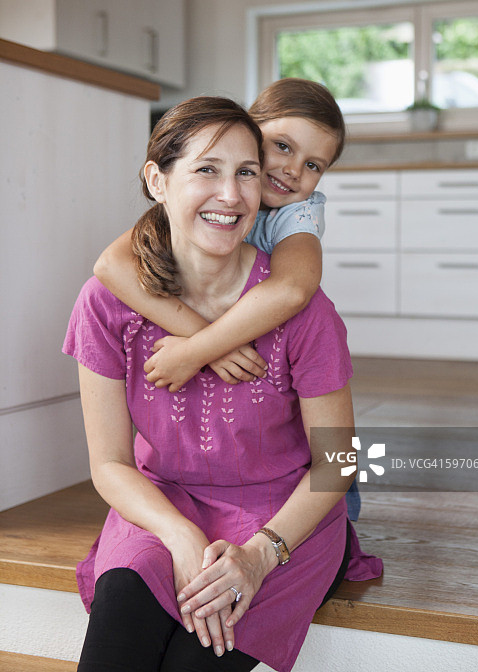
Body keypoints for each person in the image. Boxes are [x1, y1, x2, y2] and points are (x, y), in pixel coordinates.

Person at [63, 96, 382, 672]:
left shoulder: (305, 309)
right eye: (207, 169)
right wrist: (179, 535)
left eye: (246, 173)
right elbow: (109, 465)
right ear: (157, 181)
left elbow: (336, 463)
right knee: (116, 650)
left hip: (282, 521)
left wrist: (259, 557)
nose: (231, 195)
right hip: (164, 508)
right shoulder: (107, 303)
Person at [94, 78, 360, 520]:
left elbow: (294, 288)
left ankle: (338, 521)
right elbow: (110, 265)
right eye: (282, 146)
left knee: (327, 465)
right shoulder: (204, 193)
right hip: (224, 412)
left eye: (315, 164)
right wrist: (212, 345)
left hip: (288, 392)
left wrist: (197, 350)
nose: (294, 170)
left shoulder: (298, 213)